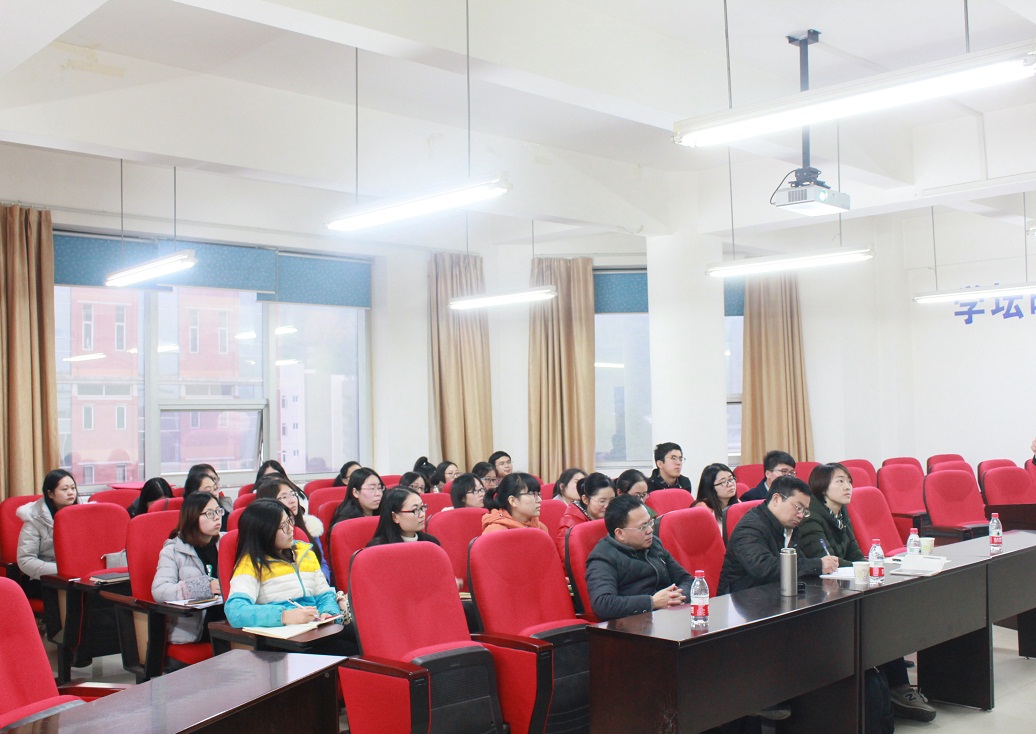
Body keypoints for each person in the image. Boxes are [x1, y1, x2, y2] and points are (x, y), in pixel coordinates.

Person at [799, 464, 937, 723]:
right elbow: (827, 562)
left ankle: (897, 687)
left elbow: (853, 554)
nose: (848, 487)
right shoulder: (811, 518)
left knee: (883, 611)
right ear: (822, 488)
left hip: (843, 586)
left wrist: (870, 566)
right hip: (817, 593)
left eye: (849, 481)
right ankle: (894, 688)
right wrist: (866, 567)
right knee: (876, 617)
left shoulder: (840, 513)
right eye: (840, 481)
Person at [225, 499, 355, 655]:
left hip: (317, 628)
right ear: (264, 532)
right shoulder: (251, 564)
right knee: (352, 651)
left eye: (289, 521)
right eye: (282, 526)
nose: (291, 529)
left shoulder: (304, 553)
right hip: (287, 641)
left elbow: (324, 594)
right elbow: (236, 611)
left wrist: (328, 612)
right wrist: (284, 616)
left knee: (362, 635)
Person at [718, 476, 839, 594]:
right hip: (743, 599)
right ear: (776, 499)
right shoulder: (749, 528)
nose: (801, 515)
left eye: (804, 511)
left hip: (775, 593)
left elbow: (798, 562)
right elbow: (765, 568)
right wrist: (817, 565)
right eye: (798, 507)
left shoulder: (789, 525)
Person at [584, 494, 693, 620]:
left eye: (650, 522)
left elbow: (687, 580)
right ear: (620, 533)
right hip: (632, 625)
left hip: (667, 617)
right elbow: (603, 604)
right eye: (642, 527)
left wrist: (674, 598)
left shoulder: (654, 544)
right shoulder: (603, 558)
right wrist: (652, 602)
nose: (650, 530)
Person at [151, 491, 225, 644]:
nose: (217, 517)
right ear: (192, 517)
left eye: (218, 511)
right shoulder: (173, 551)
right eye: (210, 513)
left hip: (228, 621)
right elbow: (159, 591)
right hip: (195, 630)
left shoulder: (226, 542)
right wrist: (204, 587)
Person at [254, 474, 329, 580]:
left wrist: (321, 580)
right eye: (284, 497)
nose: (292, 500)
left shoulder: (310, 527)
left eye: (293, 494)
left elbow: (322, 564)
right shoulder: (262, 535)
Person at [17, 469, 80, 582]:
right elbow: (26, 560)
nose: (71, 492)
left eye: (73, 488)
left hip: (79, 573)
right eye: (64, 489)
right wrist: (64, 570)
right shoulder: (34, 519)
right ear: (50, 494)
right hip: (45, 577)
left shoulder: (84, 514)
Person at [556, 473, 616, 555]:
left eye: (612, 500)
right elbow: (569, 560)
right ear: (585, 499)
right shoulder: (570, 527)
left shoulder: (614, 517)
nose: (607, 506)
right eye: (602, 501)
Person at [367, 488, 441, 546]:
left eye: (422, 508)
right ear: (395, 517)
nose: (422, 514)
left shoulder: (431, 543)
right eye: (415, 510)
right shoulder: (378, 548)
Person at [481, 473, 548, 534]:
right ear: (512, 501)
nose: (539, 500)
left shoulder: (540, 528)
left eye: (538, 494)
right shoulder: (495, 532)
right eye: (532, 494)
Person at [183, 464, 233, 530]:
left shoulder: (224, 514)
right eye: (208, 491)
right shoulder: (187, 519)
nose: (215, 494)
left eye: (215, 489)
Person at [694, 463, 740, 527]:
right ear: (711, 487)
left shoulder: (737, 502)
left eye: (731, 479)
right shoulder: (703, 508)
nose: (730, 484)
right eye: (723, 482)